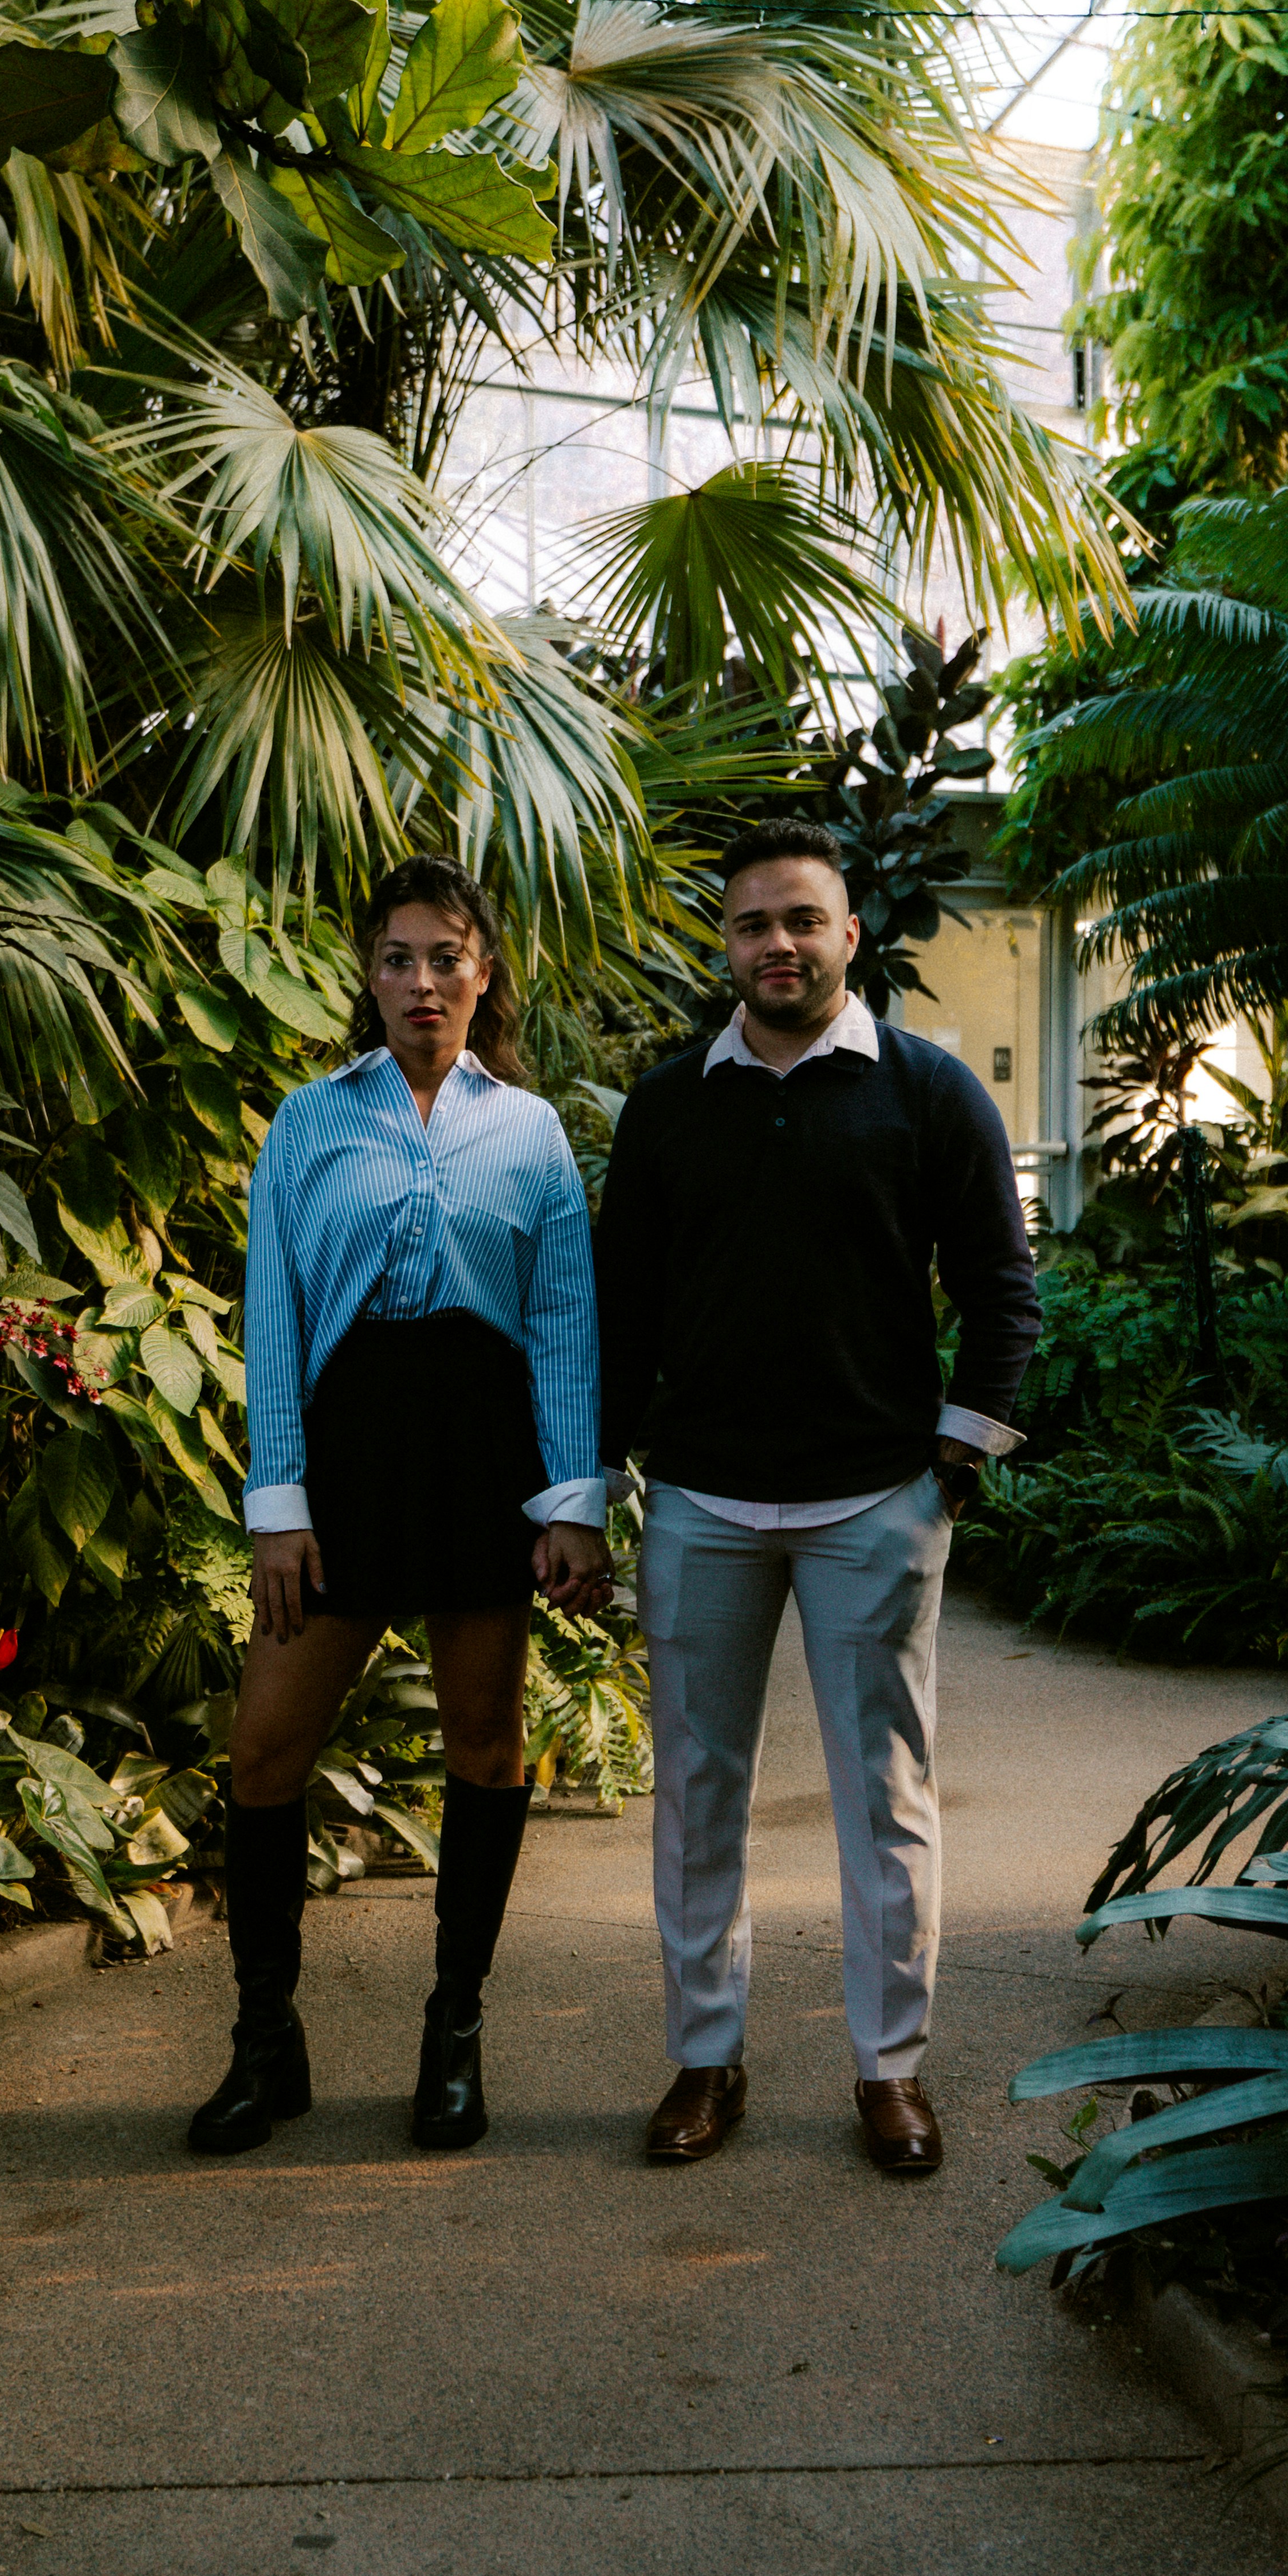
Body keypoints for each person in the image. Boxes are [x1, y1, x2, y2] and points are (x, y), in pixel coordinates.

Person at [595, 817, 1040, 2177]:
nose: (777, 944)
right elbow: (622, 1314)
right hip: (706, 1503)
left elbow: (1002, 1288)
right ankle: (704, 2056)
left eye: (803, 919)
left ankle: (890, 2070)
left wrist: (951, 1464)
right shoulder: (670, 1108)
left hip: (871, 1500)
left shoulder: (927, 1090)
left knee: (885, 1796)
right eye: (751, 924)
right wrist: (596, 1478)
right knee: (697, 1794)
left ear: (851, 933)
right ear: (724, 946)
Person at [193, 856, 609, 2160]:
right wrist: (279, 1502)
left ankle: (455, 2032)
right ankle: (267, 2038)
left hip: (482, 1450)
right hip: (346, 1453)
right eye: (397, 957)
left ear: (485, 971)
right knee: (264, 1750)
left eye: (447, 955)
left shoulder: (531, 1132)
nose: (423, 981)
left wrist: (570, 1500)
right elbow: (274, 1320)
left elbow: (559, 1326)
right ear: (367, 976)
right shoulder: (308, 1120)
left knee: (484, 1743)